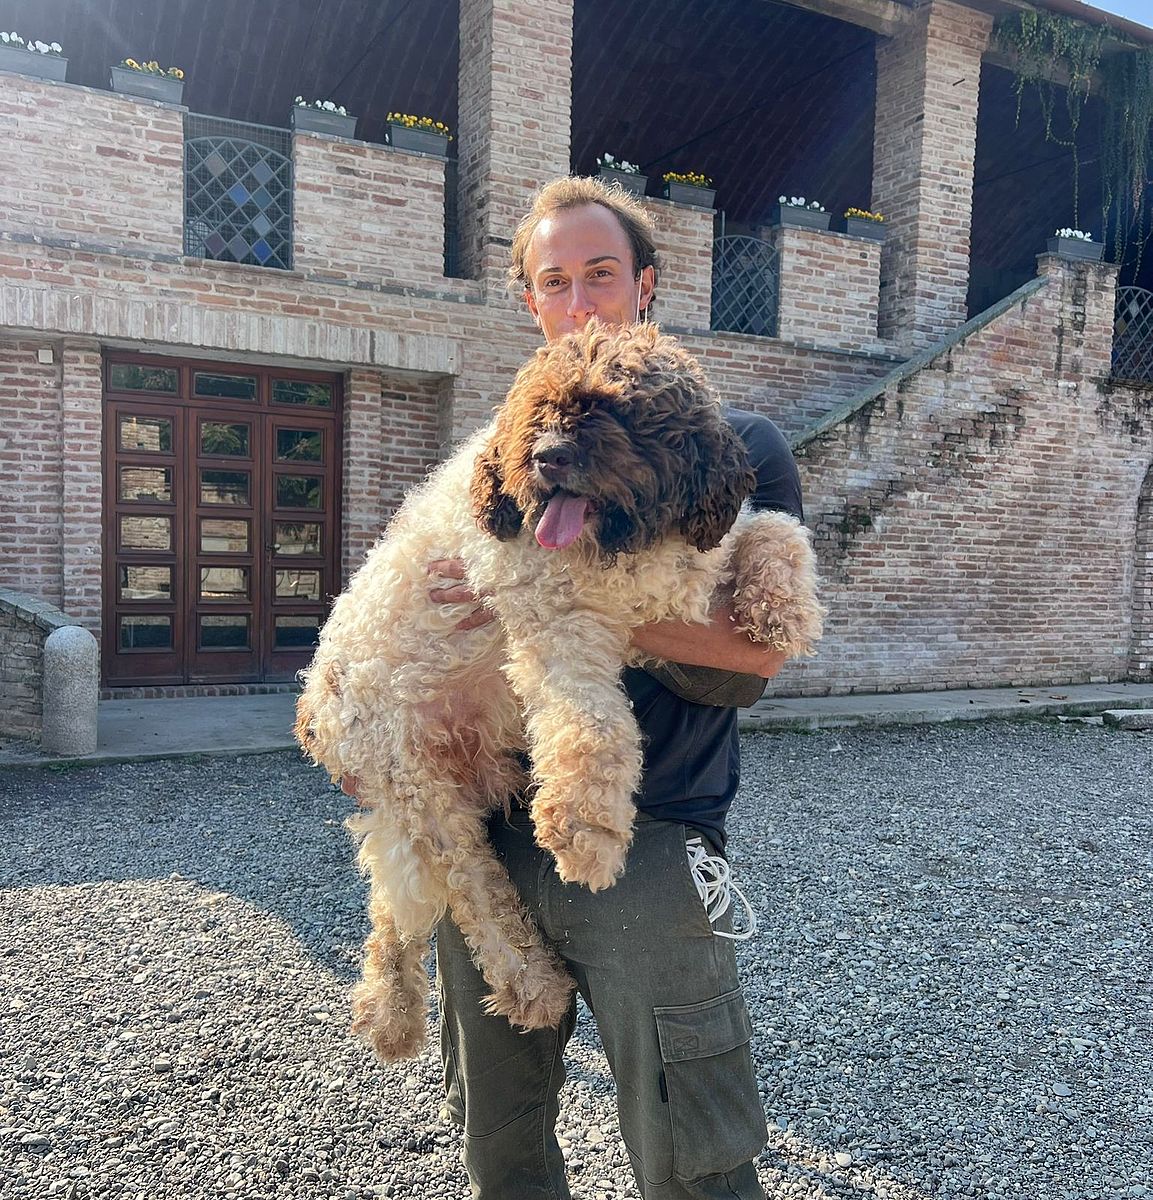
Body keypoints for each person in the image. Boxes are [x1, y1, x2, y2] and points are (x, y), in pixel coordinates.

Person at [353, 176, 804, 1199]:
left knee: (692, 1156)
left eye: (600, 273)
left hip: (653, 839)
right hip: (490, 831)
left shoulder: (735, 444)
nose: (578, 299)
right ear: (530, 302)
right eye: (553, 281)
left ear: (645, 285)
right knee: (497, 1145)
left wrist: (536, 596)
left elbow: (756, 654)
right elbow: (411, 624)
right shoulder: (507, 456)